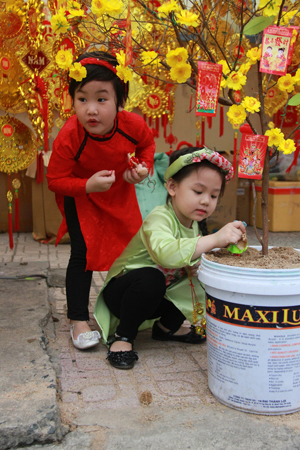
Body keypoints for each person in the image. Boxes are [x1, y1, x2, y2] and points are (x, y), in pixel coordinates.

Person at [94, 146, 247, 369]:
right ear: (173, 187)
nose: (206, 201)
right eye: (198, 192)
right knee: (150, 278)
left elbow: (189, 257)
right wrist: (213, 239)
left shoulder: (193, 226)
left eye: (213, 195)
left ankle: (166, 328)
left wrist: (200, 264)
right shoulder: (158, 218)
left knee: (201, 276)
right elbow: (166, 254)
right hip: (125, 294)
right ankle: (123, 337)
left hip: (156, 296)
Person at [47, 51, 155, 350]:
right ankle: (78, 320)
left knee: (128, 253)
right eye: (82, 99)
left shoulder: (132, 125)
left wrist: (143, 169)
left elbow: (146, 146)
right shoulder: (69, 135)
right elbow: (55, 180)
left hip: (118, 194)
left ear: (120, 102)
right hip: (80, 195)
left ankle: (122, 310)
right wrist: (87, 185)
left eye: (102, 99)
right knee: (83, 256)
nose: (91, 110)